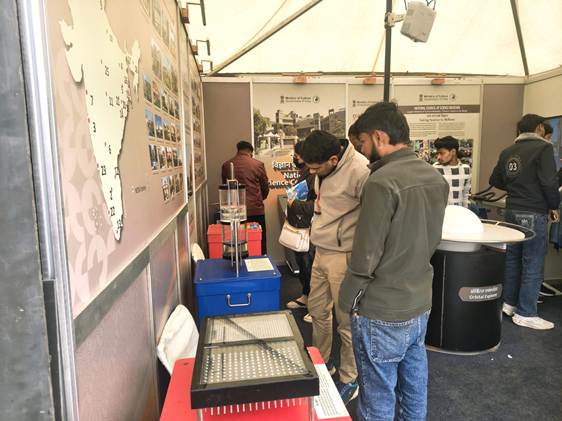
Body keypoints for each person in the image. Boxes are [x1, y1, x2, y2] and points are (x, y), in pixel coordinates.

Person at [339, 102, 448, 421]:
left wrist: (348, 301)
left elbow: (366, 255)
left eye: (362, 143)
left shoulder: (381, 182)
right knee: (415, 383)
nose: (362, 152)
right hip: (419, 300)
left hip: (382, 307)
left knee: (377, 394)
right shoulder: (434, 177)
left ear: (379, 137)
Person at [301, 130, 370, 404]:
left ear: (333, 159)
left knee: (347, 322)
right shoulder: (323, 168)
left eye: (316, 168)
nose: (312, 172)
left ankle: (350, 378)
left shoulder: (360, 171)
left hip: (344, 256)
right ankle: (322, 362)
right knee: (318, 310)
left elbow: (373, 217)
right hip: (321, 250)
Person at [490, 114, 561, 330]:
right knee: (533, 262)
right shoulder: (543, 148)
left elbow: (495, 180)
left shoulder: (508, 150)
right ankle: (526, 313)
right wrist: (553, 205)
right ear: (539, 128)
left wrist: (518, 186)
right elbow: (549, 182)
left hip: (511, 210)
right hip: (533, 210)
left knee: (513, 259)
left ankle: (509, 304)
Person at [285, 141, 316, 323]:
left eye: (296, 155)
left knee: (311, 266)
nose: (295, 158)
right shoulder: (305, 173)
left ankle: (317, 305)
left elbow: (315, 205)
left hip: (311, 227)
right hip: (300, 225)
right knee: (303, 264)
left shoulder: (316, 176)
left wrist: (294, 203)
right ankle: (306, 296)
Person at [222, 141, 269, 254]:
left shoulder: (226, 165)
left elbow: (225, 187)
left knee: (238, 243)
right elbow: (265, 187)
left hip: (235, 212)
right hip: (255, 211)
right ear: (250, 152)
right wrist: (259, 199)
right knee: (258, 242)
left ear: (238, 150)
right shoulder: (258, 164)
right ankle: (260, 261)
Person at [433, 136, 472, 207]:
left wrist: (465, 210)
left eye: (442, 153)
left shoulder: (466, 169)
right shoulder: (435, 168)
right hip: (441, 212)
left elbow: (466, 195)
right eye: (437, 154)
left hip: (459, 211)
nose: (438, 157)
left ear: (453, 152)